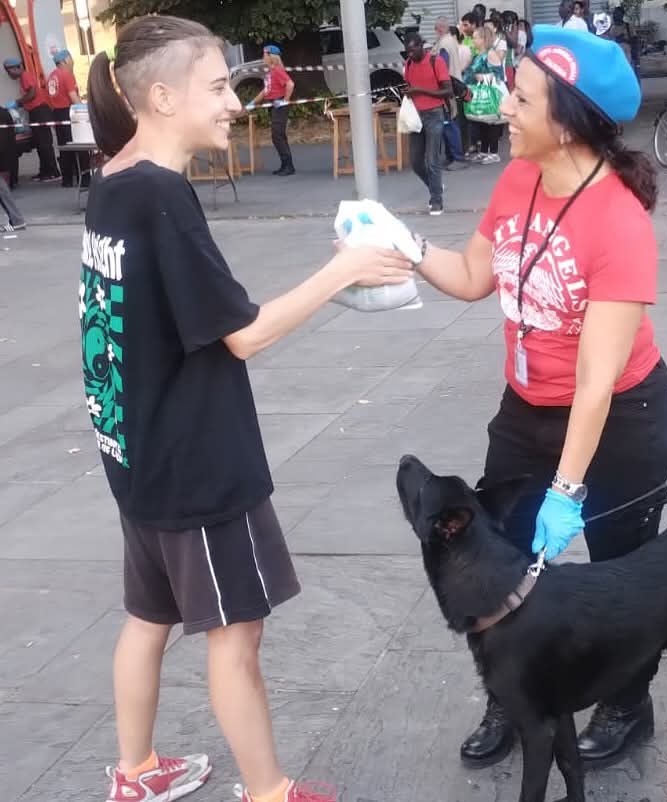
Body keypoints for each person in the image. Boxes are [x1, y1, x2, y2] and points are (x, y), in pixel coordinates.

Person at [83, 15, 413, 802]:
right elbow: (242, 335)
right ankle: (269, 792)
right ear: (161, 97)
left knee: (147, 618)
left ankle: (135, 773)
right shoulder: (162, 197)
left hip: (135, 454)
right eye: (217, 84)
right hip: (198, 468)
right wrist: (348, 273)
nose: (236, 100)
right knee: (237, 637)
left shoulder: (111, 184)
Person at [411, 24, 667, 770]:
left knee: (624, 570)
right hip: (526, 407)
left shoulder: (619, 221)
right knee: (501, 560)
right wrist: (397, 247)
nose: (502, 104)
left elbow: (597, 380)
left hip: (622, 415)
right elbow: (471, 277)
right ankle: (513, 692)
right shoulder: (517, 179)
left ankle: (629, 702)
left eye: (521, 97)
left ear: (563, 122)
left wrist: (569, 489)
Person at [404, 32, 452, 215]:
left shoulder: (436, 62)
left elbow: (447, 91)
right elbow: (409, 84)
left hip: (434, 114)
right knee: (416, 162)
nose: (410, 54)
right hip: (416, 116)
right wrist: (409, 92)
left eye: (413, 50)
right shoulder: (408, 64)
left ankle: (436, 199)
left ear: (421, 46)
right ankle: (435, 185)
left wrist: (420, 90)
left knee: (433, 160)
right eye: (407, 51)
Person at [3, 56, 60, 181]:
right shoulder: (23, 78)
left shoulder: (25, 76)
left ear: (17, 68)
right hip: (35, 112)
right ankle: (44, 171)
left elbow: (32, 94)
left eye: (9, 71)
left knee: (44, 143)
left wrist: (17, 103)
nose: (9, 74)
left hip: (40, 111)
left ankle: (53, 172)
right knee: (39, 143)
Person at [246, 45, 295, 176]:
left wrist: (285, 100)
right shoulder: (271, 72)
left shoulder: (278, 70)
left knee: (277, 135)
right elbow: (265, 91)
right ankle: (286, 165)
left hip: (279, 104)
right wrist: (252, 103)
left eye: (264, 55)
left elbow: (290, 84)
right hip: (273, 104)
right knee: (278, 136)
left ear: (271, 57)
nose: (263, 57)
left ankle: (288, 166)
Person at [462, 25, 506, 165]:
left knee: (491, 121)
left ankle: (493, 152)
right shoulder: (477, 55)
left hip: (490, 92)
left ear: (483, 39)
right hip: (478, 92)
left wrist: (484, 77)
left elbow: (499, 75)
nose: (473, 40)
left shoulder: (491, 54)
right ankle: (483, 151)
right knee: (481, 121)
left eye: (475, 38)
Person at [433, 16, 468, 170]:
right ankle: (451, 156)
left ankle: (457, 158)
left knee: (450, 124)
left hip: (447, 89)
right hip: (451, 87)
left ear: (439, 29)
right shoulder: (450, 41)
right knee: (450, 122)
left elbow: (442, 67)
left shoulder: (444, 44)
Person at [47, 49, 85, 188]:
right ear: (64, 61)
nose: (72, 62)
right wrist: (84, 110)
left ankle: (67, 180)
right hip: (68, 112)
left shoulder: (51, 76)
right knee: (79, 145)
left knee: (64, 148)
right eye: (70, 59)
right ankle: (85, 178)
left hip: (57, 113)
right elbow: (73, 96)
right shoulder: (66, 74)